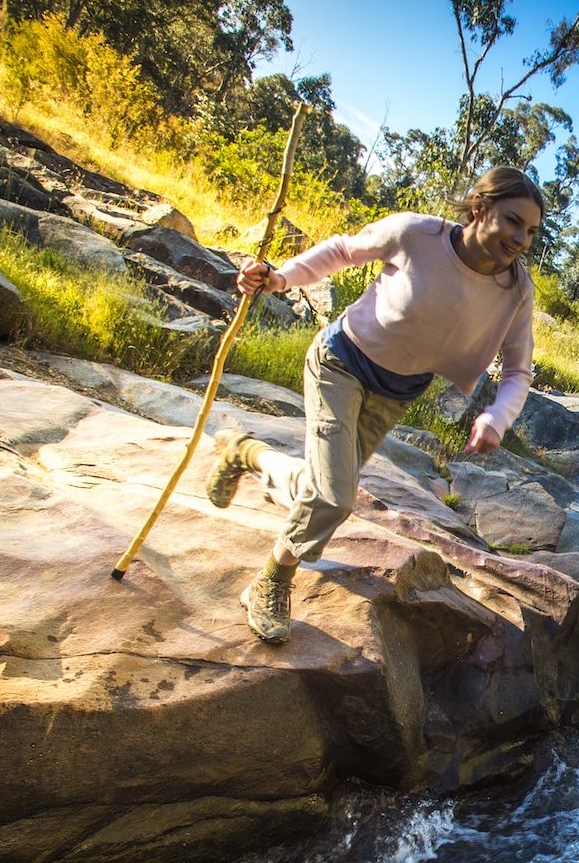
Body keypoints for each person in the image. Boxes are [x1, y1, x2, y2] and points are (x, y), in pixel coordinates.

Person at [205, 167, 543, 643]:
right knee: (333, 496)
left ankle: (243, 453)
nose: (521, 238)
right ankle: (270, 583)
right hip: (339, 364)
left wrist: (497, 416)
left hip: (394, 395)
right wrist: (280, 278)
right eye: (513, 221)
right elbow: (343, 250)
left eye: (530, 230)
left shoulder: (516, 289)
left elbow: (517, 371)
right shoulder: (417, 234)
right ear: (481, 208)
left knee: (320, 487)